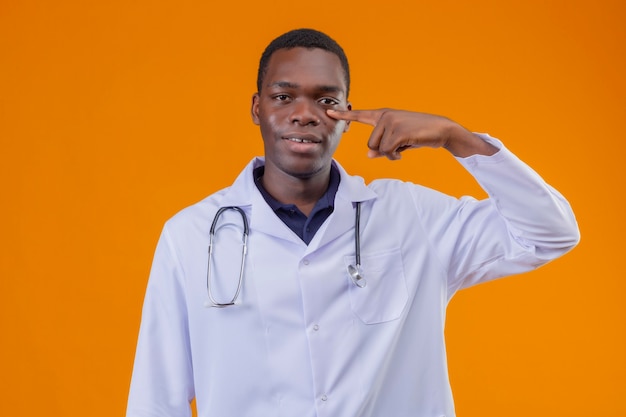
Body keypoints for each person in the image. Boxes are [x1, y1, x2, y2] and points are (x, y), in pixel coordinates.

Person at [126, 28, 579, 417]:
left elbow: (550, 233)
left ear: (347, 116)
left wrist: (454, 137)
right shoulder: (191, 235)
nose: (304, 113)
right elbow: (156, 399)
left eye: (326, 100)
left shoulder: (412, 217)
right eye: (283, 96)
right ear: (256, 108)